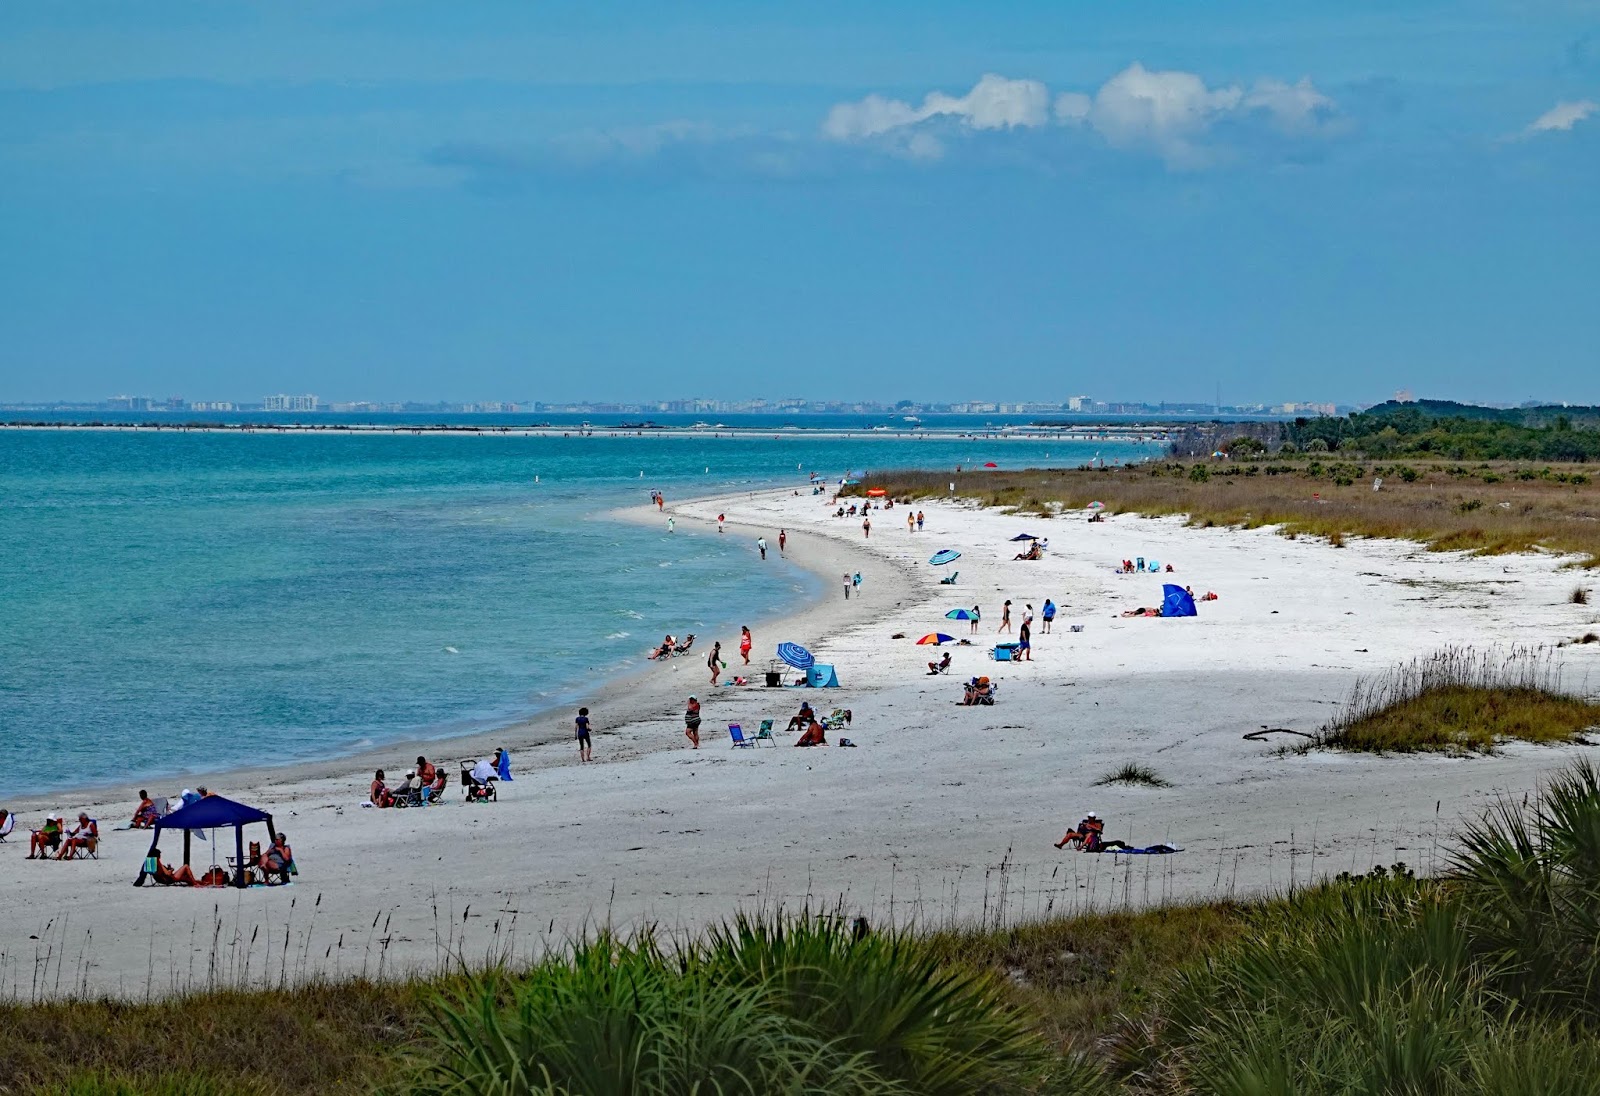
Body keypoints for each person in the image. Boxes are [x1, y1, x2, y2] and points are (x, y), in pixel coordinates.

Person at [1055, 812, 1131, 852]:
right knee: (1070, 834)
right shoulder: (1084, 822)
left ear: (1094, 818)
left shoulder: (1097, 824)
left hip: (1090, 836)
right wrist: (1082, 827)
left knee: (1090, 834)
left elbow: (1099, 831)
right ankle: (1061, 845)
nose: (1089, 819)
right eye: (1088, 817)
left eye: (1090, 818)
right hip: (1081, 834)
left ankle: (1081, 847)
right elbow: (1080, 830)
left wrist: (1090, 826)